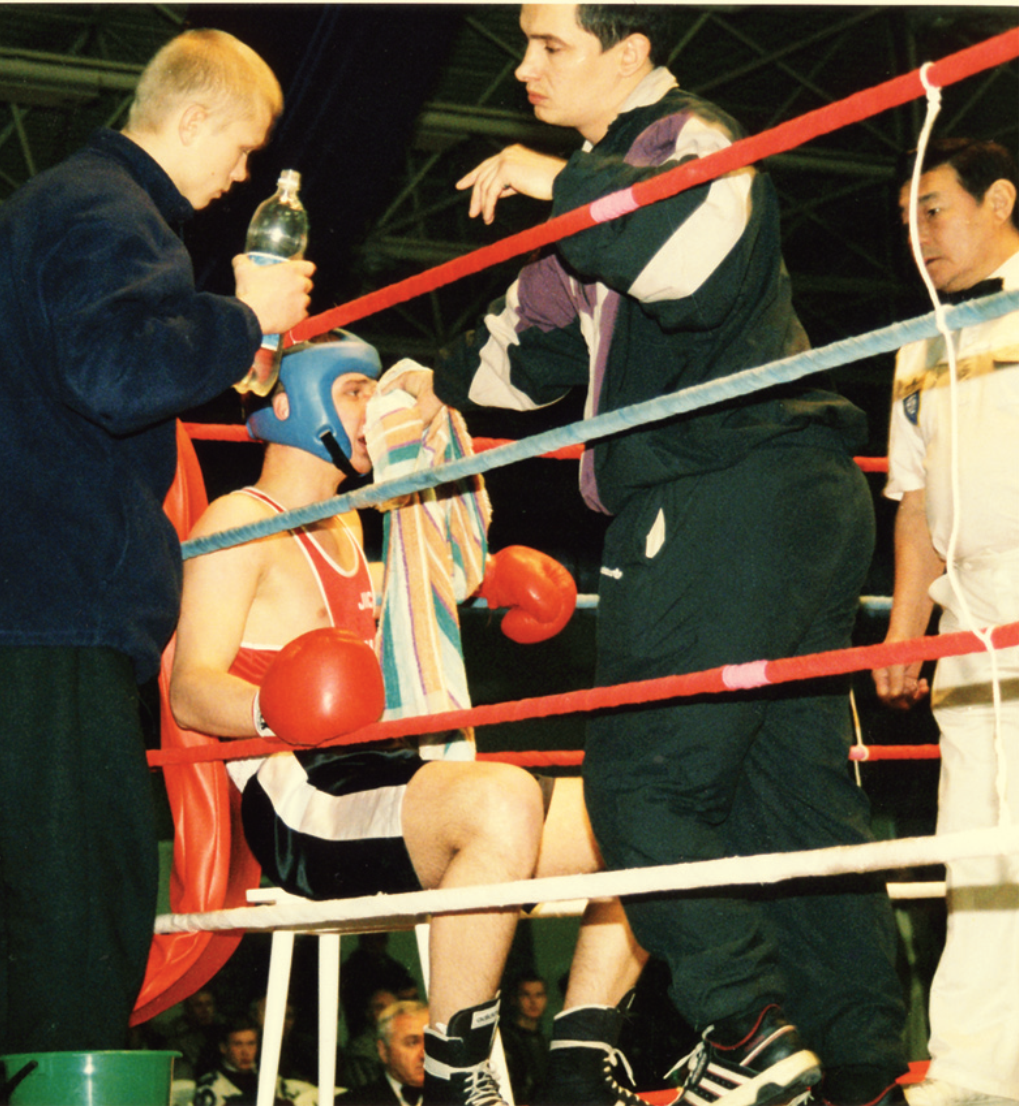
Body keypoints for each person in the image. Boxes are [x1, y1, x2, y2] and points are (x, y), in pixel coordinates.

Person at [421, 6, 911, 1105]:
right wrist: (424, 380)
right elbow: (524, 353)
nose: (523, 67)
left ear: (631, 52)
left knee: (640, 780)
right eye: (524, 42)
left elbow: (690, 266)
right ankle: (862, 1066)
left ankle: (745, 1027)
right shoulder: (605, 184)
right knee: (789, 795)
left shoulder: (686, 137)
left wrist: (557, 183)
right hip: (778, 498)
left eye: (552, 45)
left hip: (723, 489)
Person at [0, 28, 314, 1105]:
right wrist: (244, 319)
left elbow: (95, 369)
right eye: (242, 148)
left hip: (9, 592)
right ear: (197, 117)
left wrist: (215, 333)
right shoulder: (111, 211)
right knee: (89, 887)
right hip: (52, 594)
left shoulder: (62, 202)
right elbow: (116, 374)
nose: (243, 175)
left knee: (27, 886)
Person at [168, 330, 646, 1106]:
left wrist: (485, 580)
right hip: (296, 797)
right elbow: (190, 690)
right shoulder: (236, 521)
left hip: (377, 775)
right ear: (293, 404)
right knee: (502, 798)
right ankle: (456, 1076)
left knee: (642, 815)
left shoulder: (350, 525)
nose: (377, 409)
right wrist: (274, 706)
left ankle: (580, 1064)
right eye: (355, 390)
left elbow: (403, 605)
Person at [872, 137, 1019, 1106]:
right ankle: (973, 1070)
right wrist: (905, 626)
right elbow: (915, 498)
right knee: (975, 843)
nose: (919, 234)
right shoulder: (918, 340)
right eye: (906, 220)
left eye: (934, 209)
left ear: (999, 200)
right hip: (967, 614)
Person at [194, 1016, 318, 1106]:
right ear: (223, 1048)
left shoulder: (273, 1080)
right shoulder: (209, 1086)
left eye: (251, 1043)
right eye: (238, 1044)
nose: (245, 1052)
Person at [338, 1001, 430, 1106]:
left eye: (432, 1042)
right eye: (412, 1043)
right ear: (383, 1051)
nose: (425, 1055)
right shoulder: (349, 1102)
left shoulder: (446, 1096)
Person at [499, 972, 550, 1105]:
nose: (533, 1002)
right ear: (514, 999)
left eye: (539, 995)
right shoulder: (505, 1040)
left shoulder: (545, 1042)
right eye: (526, 995)